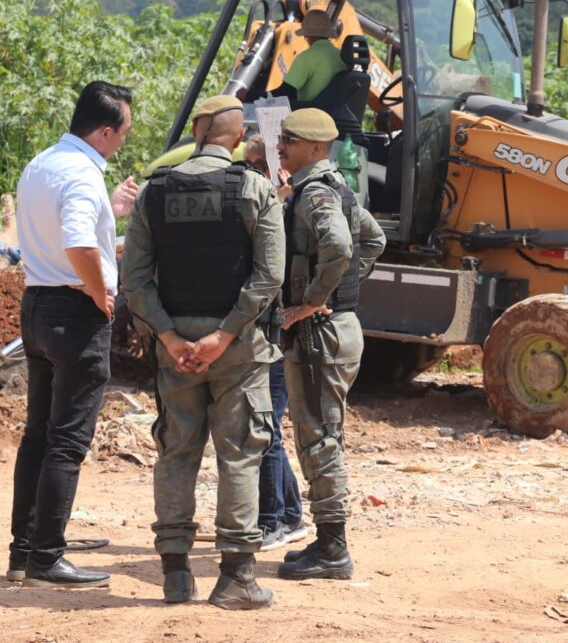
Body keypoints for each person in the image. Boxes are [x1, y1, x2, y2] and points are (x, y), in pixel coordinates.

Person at [121, 95, 284, 610]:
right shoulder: (255, 189)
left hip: (175, 352)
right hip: (236, 350)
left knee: (176, 452)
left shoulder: (154, 193)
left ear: (196, 132)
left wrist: (169, 337)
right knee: (239, 455)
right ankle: (236, 576)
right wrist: (226, 335)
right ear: (237, 138)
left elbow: (134, 279)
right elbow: (269, 275)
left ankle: (175, 573)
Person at [9, 81, 137, 589]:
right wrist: (100, 290)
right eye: (124, 131)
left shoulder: (43, 164)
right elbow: (80, 242)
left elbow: (71, 232)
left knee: (38, 435)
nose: (124, 141)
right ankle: (47, 559)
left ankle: (23, 552)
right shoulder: (83, 175)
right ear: (105, 131)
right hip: (74, 311)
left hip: (37, 303)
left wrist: (112, 213)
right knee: (68, 441)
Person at [274, 108, 385, 581]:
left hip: (321, 334)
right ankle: (325, 542)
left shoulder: (315, 192)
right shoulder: (337, 186)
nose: (281, 144)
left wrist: (315, 299)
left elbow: (341, 247)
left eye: (290, 140)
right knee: (322, 435)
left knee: (319, 440)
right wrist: (339, 295)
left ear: (316, 149)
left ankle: (333, 549)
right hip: (336, 328)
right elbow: (374, 241)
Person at [242, 136, 307, 551]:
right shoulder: (260, 208)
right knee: (266, 427)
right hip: (263, 334)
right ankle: (290, 515)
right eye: (246, 166)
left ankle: (274, 519)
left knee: (265, 427)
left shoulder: (288, 212)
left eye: (260, 168)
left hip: (278, 335)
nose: (252, 176)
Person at [271, 10, 345, 108]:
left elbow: (285, 93)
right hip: (335, 115)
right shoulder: (342, 56)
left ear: (307, 35)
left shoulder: (305, 58)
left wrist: (252, 95)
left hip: (311, 116)